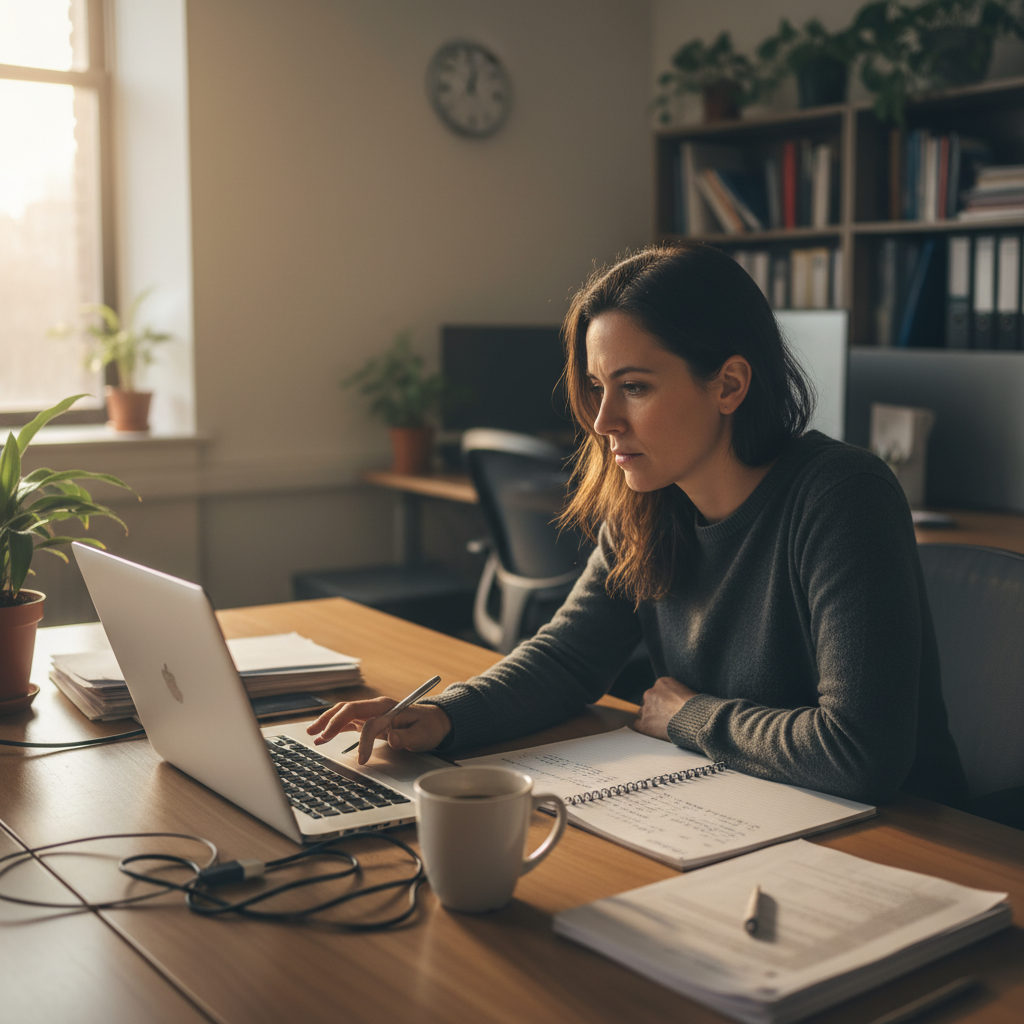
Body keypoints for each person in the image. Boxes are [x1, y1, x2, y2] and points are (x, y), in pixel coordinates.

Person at [308, 242, 966, 807]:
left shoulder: (841, 496)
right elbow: (568, 659)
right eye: (597, 387)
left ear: (730, 385)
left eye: (637, 388)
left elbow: (861, 752)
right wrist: (444, 715)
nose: (604, 422)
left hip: (912, 840)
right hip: (748, 802)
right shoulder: (649, 503)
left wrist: (690, 717)